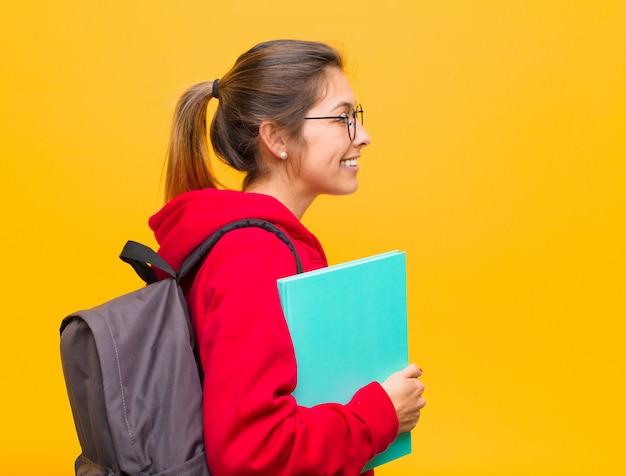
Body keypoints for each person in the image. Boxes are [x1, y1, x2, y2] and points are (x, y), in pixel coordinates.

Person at [149, 39, 426, 475]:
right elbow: (252, 454)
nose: (364, 136)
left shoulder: (253, 244)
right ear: (276, 137)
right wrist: (382, 415)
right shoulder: (255, 257)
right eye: (342, 118)